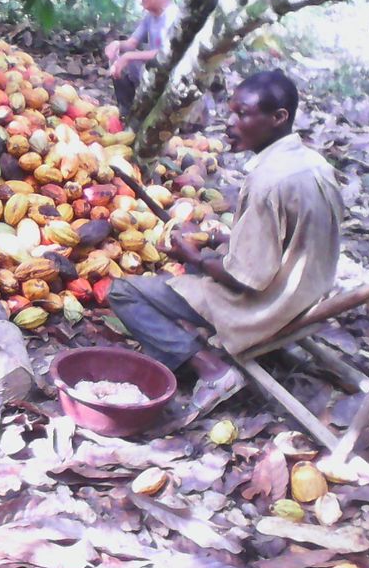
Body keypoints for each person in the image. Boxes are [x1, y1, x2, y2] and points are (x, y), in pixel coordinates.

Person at [107, 70, 344, 414]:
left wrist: (197, 256)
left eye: (243, 114)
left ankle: (213, 370)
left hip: (270, 306)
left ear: (279, 118)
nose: (230, 123)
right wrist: (223, 239)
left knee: (124, 292)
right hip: (311, 294)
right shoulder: (315, 164)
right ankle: (250, 348)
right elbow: (294, 236)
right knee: (202, 256)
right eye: (231, 111)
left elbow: (247, 279)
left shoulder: (267, 181)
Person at [103, 0, 179, 118]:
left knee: (128, 60)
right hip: (153, 72)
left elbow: (166, 54)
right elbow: (132, 43)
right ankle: (128, 111)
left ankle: (145, 111)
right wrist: (117, 44)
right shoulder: (151, 17)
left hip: (170, 78)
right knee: (119, 59)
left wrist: (129, 57)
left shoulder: (172, 17)